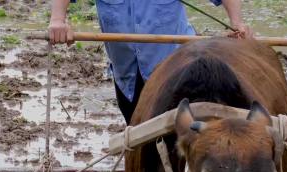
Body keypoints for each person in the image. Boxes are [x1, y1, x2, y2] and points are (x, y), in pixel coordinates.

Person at [48, 0, 252, 124]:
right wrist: (58, 20)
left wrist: (237, 22)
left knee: (183, 139)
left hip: (177, 72)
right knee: (138, 136)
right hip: (128, 74)